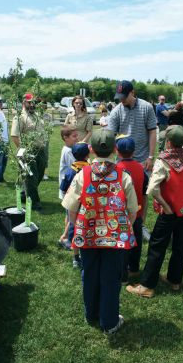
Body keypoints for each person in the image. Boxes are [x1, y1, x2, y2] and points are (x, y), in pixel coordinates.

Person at [62, 129, 138, 334]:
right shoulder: (124, 176)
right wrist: (124, 227)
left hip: (87, 235)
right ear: (115, 149)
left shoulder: (82, 174)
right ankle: (110, 321)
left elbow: (71, 206)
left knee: (90, 273)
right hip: (115, 237)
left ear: (91, 150)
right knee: (111, 277)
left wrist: (76, 226)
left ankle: (92, 314)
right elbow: (132, 210)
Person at [126, 125, 183, 298]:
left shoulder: (163, 161)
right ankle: (174, 280)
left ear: (168, 142)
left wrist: (166, 207)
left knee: (157, 247)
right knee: (180, 246)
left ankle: (146, 286)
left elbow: (152, 189)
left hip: (168, 215)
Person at [108, 80, 157, 241]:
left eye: (124, 96)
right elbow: (110, 136)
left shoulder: (146, 107)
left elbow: (152, 132)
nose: (121, 100)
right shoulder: (116, 111)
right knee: (121, 193)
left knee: (143, 194)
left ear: (132, 93)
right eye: (119, 96)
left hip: (143, 159)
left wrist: (150, 156)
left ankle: (140, 224)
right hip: (121, 160)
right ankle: (122, 222)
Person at [116, 136, 149, 283]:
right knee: (136, 241)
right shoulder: (141, 169)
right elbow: (144, 194)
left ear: (117, 151)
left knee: (123, 244)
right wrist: (143, 215)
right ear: (134, 151)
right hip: (138, 211)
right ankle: (134, 268)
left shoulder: (115, 170)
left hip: (121, 214)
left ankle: (123, 276)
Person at [11, 93, 46, 212]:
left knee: (39, 174)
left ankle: (24, 193)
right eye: (29, 102)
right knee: (30, 176)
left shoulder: (37, 116)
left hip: (40, 150)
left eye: (33, 102)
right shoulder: (19, 117)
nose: (32, 104)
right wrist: (24, 150)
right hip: (27, 151)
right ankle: (35, 203)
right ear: (23, 103)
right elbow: (15, 136)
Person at [60, 142, 90, 267]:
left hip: (72, 205)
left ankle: (75, 258)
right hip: (86, 206)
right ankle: (84, 255)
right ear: (88, 155)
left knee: (74, 228)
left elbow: (63, 188)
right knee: (86, 228)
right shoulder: (90, 170)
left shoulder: (69, 172)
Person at [58, 126, 79, 249]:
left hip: (68, 186)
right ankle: (65, 237)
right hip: (68, 188)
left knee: (68, 213)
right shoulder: (68, 151)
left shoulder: (69, 149)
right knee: (72, 213)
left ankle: (65, 236)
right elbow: (77, 164)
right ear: (66, 138)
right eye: (74, 136)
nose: (78, 138)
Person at [0, 97, 8, 184]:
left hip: (6, 141)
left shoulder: (1, 113)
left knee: (4, 160)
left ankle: (1, 177)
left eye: (1, 102)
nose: (0, 104)